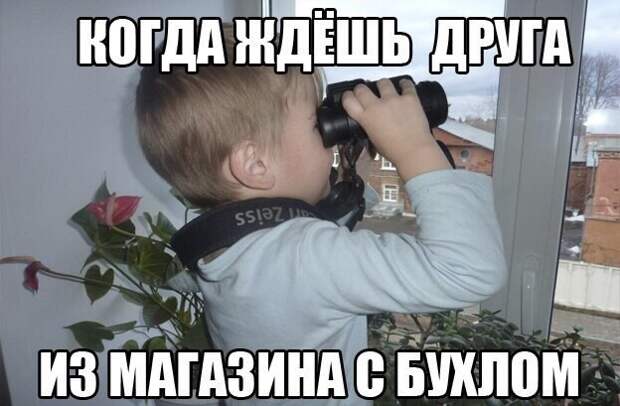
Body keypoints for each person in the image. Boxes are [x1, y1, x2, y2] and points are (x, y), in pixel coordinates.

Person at [135, 26, 507, 405]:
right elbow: (469, 270)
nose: (329, 139)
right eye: (317, 124)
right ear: (256, 164)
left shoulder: (233, 250)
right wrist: (415, 149)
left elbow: (322, 229)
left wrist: (353, 160)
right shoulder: (303, 257)